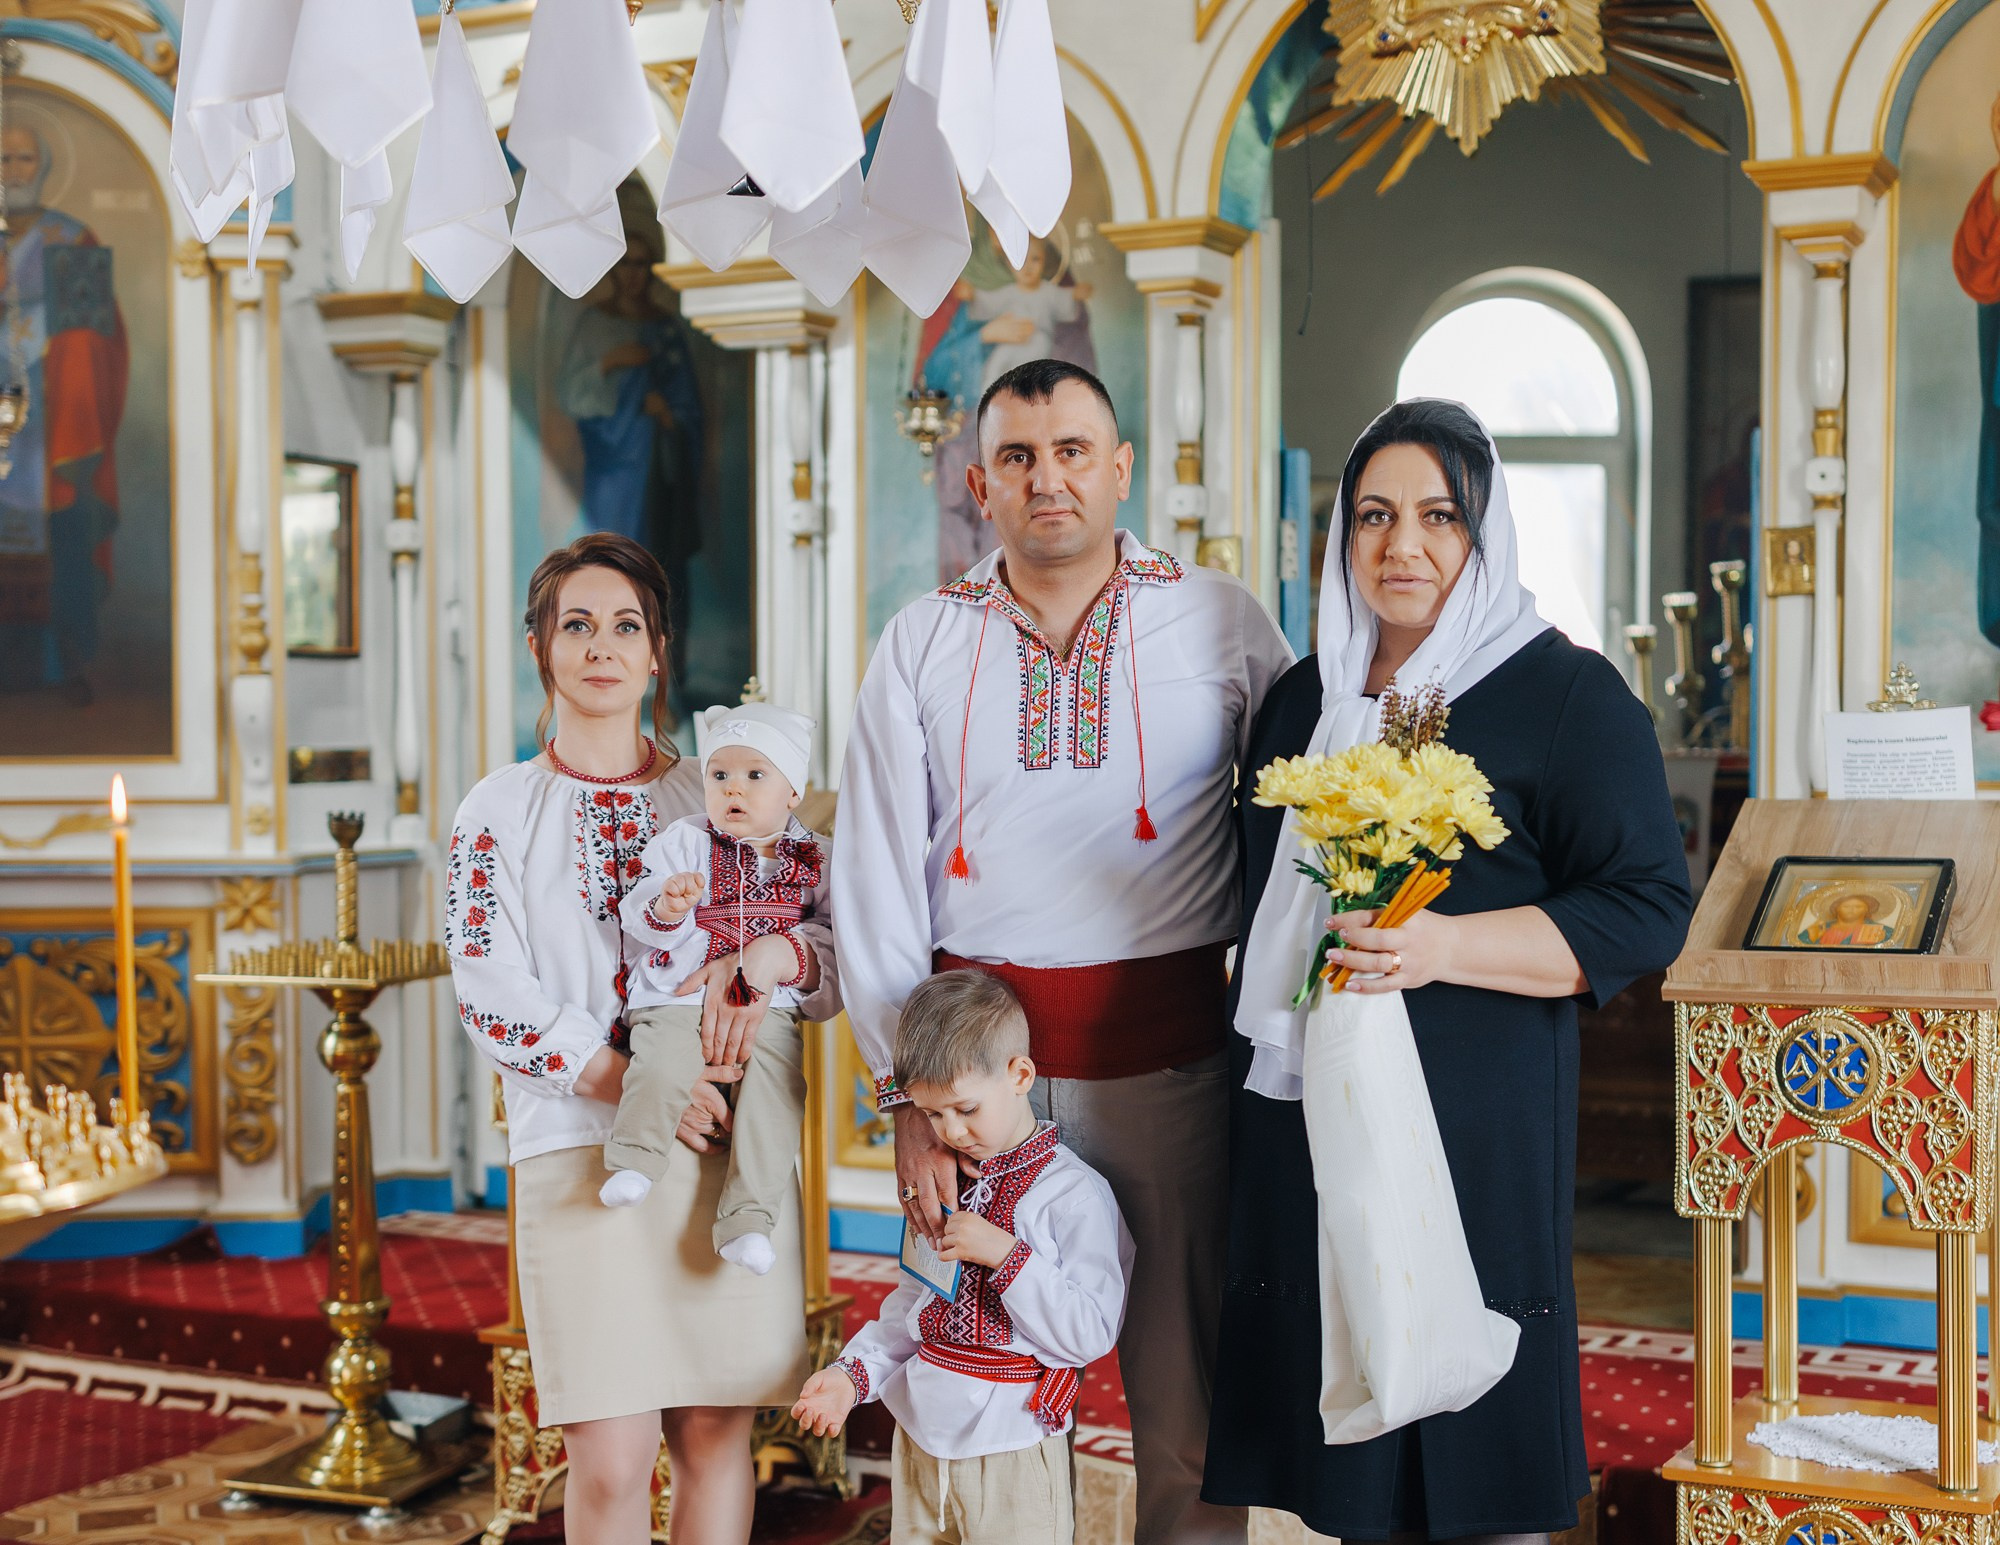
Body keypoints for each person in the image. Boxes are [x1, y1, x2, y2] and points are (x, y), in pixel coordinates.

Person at [1204, 399, 1692, 1541]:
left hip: (1471, 1111)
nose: (1400, 546)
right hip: (1298, 1104)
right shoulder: (1302, 700)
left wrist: (1439, 949)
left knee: (1472, 1454)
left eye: (1437, 515)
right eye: (1372, 516)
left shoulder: (1559, 693)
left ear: (1484, 531)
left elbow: (1646, 906)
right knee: (1341, 1445)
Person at [835, 357, 1294, 1545]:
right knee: (969, 1370)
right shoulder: (924, 639)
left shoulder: (1220, 619)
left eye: (1073, 451)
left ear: (1120, 467)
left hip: (1170, 1069)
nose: (1049, 479)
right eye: (1021, 459)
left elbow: (1305, 817)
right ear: (978, 483)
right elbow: (876, 876)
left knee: (1181, 1400)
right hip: (973, 1095)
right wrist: (910, 1100)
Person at [446, 532, 839, 1545]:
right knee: (612, 1457)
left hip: (724, 1146)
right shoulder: (498, 810)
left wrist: (770, 970)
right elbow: (489, 990)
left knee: (714, 1429)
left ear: (657, 652)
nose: (601, 647)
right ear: (541, 646)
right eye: (576, 625)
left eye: (626, 626)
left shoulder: (718, 792)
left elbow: (825, 947)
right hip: (581, 1149)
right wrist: (630, 1081)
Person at [792, 970, 1131, 1545]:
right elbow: (913, 1308)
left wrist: (1008, 1257)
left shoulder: (1073, 1196)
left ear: (1019, 1074)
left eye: (965, 1108)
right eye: (931, 1114)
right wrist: (853, 1376)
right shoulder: (945, 1187)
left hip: (1011, 1444)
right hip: (920, 1437)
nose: (950, 1130)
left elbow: (1089, 1333)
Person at [607, 703, 830, 1282]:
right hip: (680, 992)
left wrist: (786, 954)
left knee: (776, 1097)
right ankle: (635, 1159)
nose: (734, 788)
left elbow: (835, 940)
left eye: (756, 775)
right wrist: (667, 906)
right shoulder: (683, 841)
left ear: (792, 792)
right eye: (719, 775)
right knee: (658, 1063)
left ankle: (749, 1220)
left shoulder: (816, 858)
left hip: (769, 1006)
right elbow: (640, 918)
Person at [0, 123, 128, 705]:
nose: (12, 170)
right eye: (2, 158)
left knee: (57, 544)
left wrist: (64, 352)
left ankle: (56, 664)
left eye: (24, 158)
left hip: (50, 436)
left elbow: (100, 339)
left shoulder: (71, 240)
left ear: (43, 168)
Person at [1805, 891, 1892, 948]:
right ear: (1836, 909)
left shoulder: (1882, 931)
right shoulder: (1818, 929)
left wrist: (1880, 942)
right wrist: (1811, 939)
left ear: (1867, 910)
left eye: (1858, 907)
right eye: (1846, 906)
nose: (1852, 910)